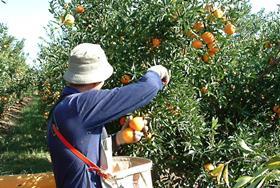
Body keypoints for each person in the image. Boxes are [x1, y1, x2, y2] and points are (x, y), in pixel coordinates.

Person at [47, 43, 170, 188]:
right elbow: (147, 88)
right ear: (100, 78)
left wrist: (119, 139)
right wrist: (157, 71)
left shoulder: (64, 106)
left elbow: (83, 150)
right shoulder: (81, 106)